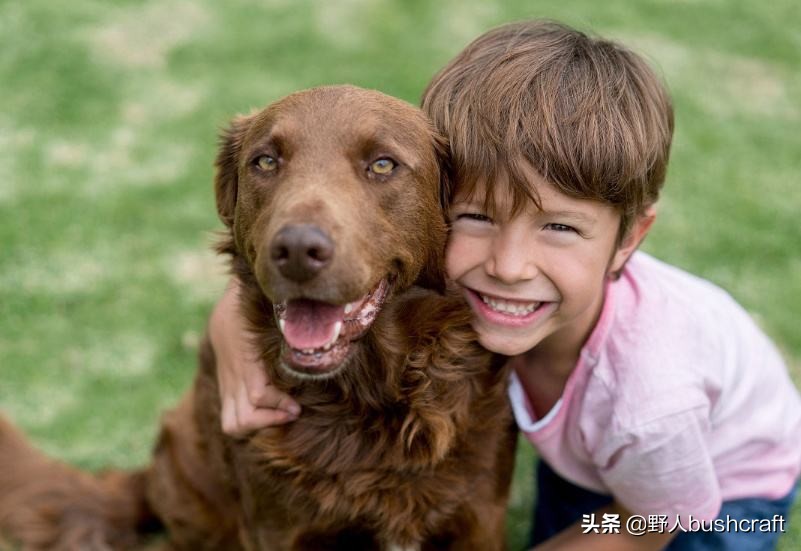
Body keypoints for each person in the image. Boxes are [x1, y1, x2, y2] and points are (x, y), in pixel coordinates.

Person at [209, 20, 801, 550]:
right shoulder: (495, 297)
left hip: (721, 499)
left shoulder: (649, 398)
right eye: (478, 218)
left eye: (561, 227)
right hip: (593, 463)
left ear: (628, 240)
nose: (510, 267)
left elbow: (663, 517)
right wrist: (231, 323)